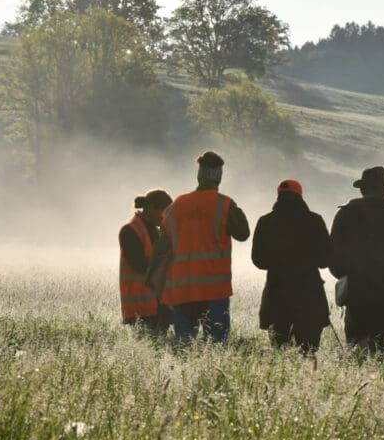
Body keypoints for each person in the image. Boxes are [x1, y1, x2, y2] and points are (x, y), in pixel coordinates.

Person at [154, 151, 250, 343]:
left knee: (184, 347)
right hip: (214, 290)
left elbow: (161, 247)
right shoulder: (224, 204)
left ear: (198, 175)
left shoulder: (177, 205)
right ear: (219, 177)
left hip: (182, 289)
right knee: (215, 347)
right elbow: (243, 233)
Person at [330, 166, 384, 355]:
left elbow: (332, 255)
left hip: (357, 293)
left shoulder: (345, 215)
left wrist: (346, 275)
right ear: (383, 190)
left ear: (363, 190)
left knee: (358, 348)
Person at [252, 179, 332, 353]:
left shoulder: (265, 221)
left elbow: (258, 261)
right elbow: (325, 260)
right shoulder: (315, 220)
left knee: (280, 353)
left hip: (276, 296)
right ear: (300, 196)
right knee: (309, 353)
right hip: (310, 297)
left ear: (278, 196)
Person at [119, 189, 173, 334]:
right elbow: (140, 266)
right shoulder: (129, 231)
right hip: (141, 308)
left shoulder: (154, 230)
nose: (165, 218)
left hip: (156, 306)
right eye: (163, 212)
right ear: (151, 208)